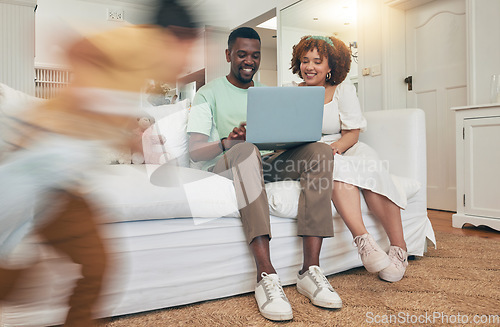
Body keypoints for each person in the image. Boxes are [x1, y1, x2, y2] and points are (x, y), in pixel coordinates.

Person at [0, 1, 198, 326]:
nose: (188, 61)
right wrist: (90, 96)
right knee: (29, 278)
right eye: (189, 49)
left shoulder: (135, 71)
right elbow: (78, 47)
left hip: (61, 180)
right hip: (42, 166)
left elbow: (102, 120)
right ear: (176, 37)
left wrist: (129, 136)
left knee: (92, 265)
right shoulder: (141, 41)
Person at [187, 27, 341, 321]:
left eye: (255, 56)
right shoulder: (207, 94)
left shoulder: (268, 94)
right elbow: (195, 152)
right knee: (246, 150)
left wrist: (290, 138)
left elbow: (277, 139)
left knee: (320, 151)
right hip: (227, 164)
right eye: (242, 54)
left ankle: (310, 270)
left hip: (265, 160)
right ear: (228, 55)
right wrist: (228, 142)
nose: (249, 61)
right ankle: (266, 274)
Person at [290, 35, 409, 282]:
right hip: (315, 152)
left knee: (373, 172)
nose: (309, 67)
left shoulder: (342, 89)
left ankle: (399, 249)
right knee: (335, 170)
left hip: (346, 145)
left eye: (317, 61)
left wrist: (334, 148)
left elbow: (352, 132)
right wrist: (323, 152)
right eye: (304, 61)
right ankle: (364, 241)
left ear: (330, 66)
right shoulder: (292, 92)